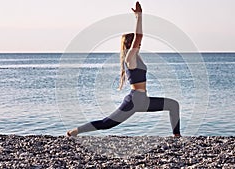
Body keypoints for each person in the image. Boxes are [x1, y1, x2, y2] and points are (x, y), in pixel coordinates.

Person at [67, 1, 181, 137]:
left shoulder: (136, 56)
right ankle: (75, 131)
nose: (139, 44)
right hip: (134, 101)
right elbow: (139, 36)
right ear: (130, 44)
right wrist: (139, 16)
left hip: (143, 100)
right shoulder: (129, 57)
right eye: (136, 42)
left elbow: (138, 39)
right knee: (106, 123)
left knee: (173, 105)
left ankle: (176, 136)